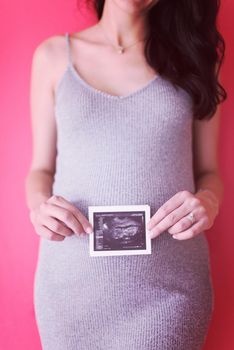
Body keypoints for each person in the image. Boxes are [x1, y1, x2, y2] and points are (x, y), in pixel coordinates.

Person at [25, 0, 227, 349]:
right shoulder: (53, 57)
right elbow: (40, 170)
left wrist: (208, 202)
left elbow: (209, 172)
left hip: (170, 290)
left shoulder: (196, 59)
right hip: (71, 290)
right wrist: (39, 207)